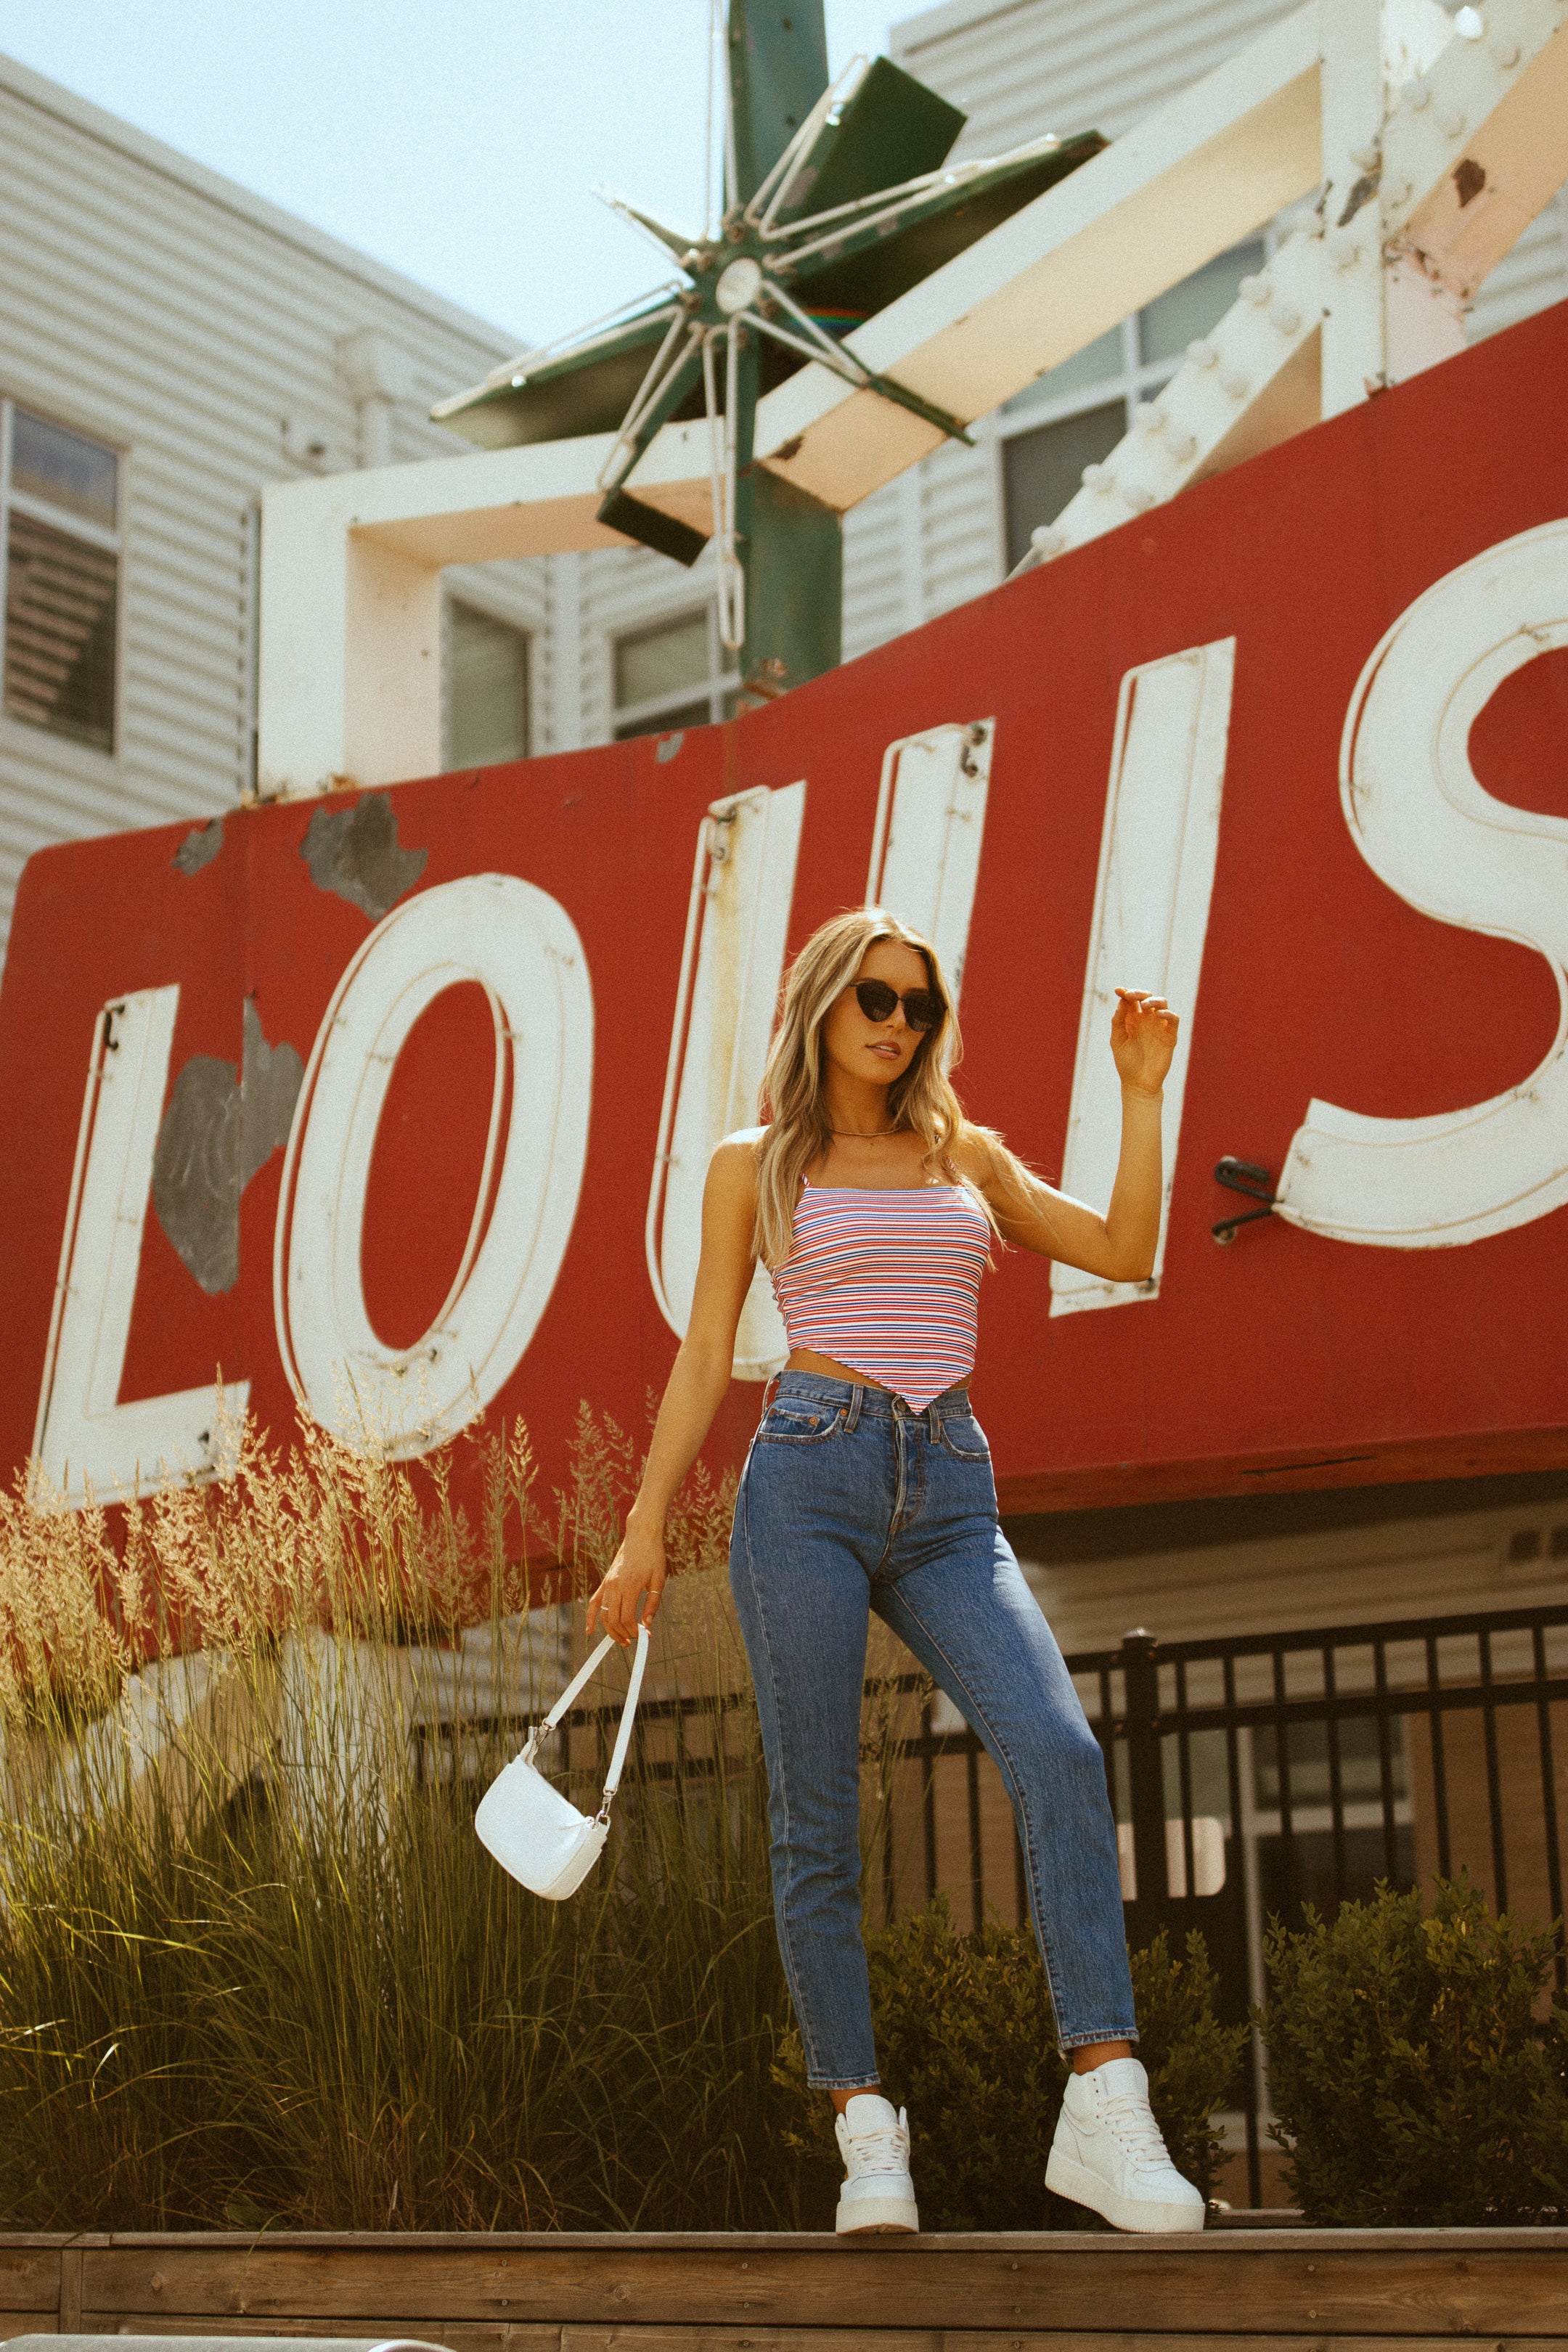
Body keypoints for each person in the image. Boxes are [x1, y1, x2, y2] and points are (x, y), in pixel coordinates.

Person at [588, 906, 1204, 2239]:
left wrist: (1139, 1095)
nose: (897, 1023)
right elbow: (707, 1355)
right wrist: (645, 1529)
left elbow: (1123, 1251)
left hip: (949, 1488)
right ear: (823, 1001)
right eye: (876, 997)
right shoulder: (755, 1165)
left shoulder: (960, 1152)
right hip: (805, 1473)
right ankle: (867, 2136)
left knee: (1060, 1752)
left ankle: (1105, 2106)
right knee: (816, 1815)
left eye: (919, 1005)